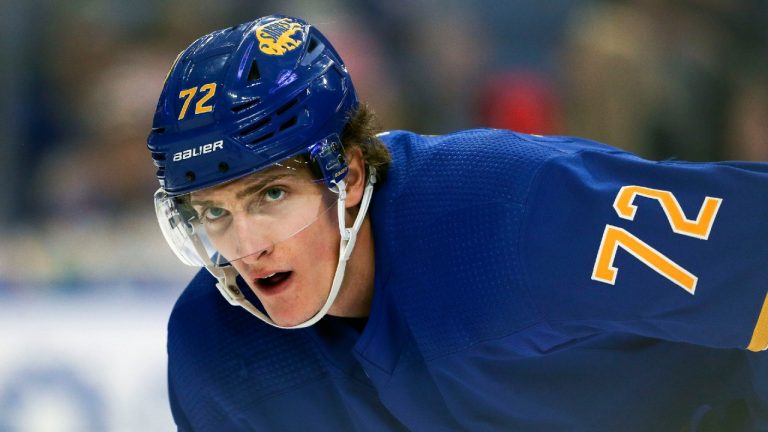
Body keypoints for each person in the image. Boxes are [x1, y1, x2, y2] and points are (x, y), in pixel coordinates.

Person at [147, 15, 768, 431]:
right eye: (213, 212)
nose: (246, 247)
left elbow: (753, 259)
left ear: (350, 175)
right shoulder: (215, 355)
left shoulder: (508, 212)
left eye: (271, 194)